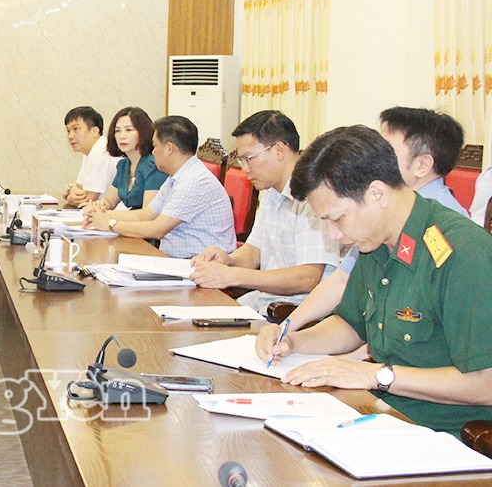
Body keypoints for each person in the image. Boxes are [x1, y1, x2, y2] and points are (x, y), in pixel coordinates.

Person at [260, 125, 492, 435]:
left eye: (337, 219)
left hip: (443, 435)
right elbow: (349, 325)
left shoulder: (461, 252)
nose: (334, 235)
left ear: (378, 193)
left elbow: (485, 383)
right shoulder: (375, 242)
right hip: (377, 413)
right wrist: (292, 342)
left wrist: (376, 375)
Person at [255, 107, 473, 354]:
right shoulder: (375, 224)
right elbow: (344, 289)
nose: (376, 156)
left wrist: (358, 364)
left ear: (422, 164)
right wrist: (287, 333)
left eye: (386, 148)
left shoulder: (450, 237)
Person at [190, 111, 341, 313]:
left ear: (279, 150)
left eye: (249, 158)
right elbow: (253, 252)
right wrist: (228, 260)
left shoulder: (312, 196)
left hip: (293, 312)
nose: (245, 168)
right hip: (263, 301)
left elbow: (308, 277)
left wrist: (233, 276)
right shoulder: (272, 193)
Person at [85, 116, 235, 258]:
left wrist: (111, 224)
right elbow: (145, 215)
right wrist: (102, 215)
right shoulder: (175, 177)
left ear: (169, 148)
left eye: (155, 146)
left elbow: (157, 229)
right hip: (175, 260)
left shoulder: (193, 180)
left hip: (197, 265)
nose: (152, 152)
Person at [82, 107, 167, 212]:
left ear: (143, 132)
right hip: (128, 220)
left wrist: (109, 216)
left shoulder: (153, 164)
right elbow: (109, 202)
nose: (122, 136)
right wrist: (97, 206)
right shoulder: (123, 165)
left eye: (129, 130)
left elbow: (148, 213)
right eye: (117, 131)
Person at [62, 106, 120, 207]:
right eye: (68, 131)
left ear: (95, 131)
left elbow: (87, 200)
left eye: (76, 129)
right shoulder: (90, 151)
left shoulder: (102, 152)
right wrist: (71, 189)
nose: (70, 136)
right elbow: (79, 187)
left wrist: (69, 195)